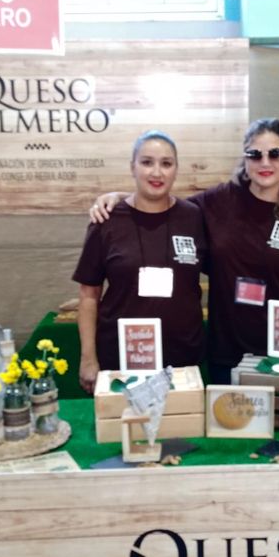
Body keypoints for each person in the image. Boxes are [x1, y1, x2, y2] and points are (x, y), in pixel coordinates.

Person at [90, 118, 279, 383]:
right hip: (230, 353)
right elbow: (161, 205)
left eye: (275, 154)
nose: (265, 163)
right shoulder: (216, 202)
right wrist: (119, 198)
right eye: (255, 154)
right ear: (245, 159)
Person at [73, 130, 206, 394]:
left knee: (180, 422)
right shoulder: (107, 220)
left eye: (166, 163)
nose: (157, 172)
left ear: (176, 169)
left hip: (182, 357)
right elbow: (89, 295)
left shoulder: (194, 217)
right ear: (132, 167)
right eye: (146, 162)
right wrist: (88, 358)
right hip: (121, 358)